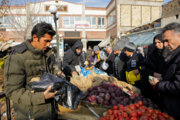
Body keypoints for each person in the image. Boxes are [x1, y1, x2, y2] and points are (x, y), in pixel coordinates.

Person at [4, 22, 58, 120]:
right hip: (29, 115)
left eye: (50, 41)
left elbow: (49, 74)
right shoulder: (17, 57)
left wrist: (57, 75)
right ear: (34, 38)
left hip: (49, 112)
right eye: (46, 41)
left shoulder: (46, 54)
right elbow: (12, 91)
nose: (49, 44)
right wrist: (41, 97)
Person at [149, 23, 180, 119]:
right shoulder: (174, 54)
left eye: (167, 41)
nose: (165, 44)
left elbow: (178, 87)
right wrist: (164, 78)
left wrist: (158, 84)